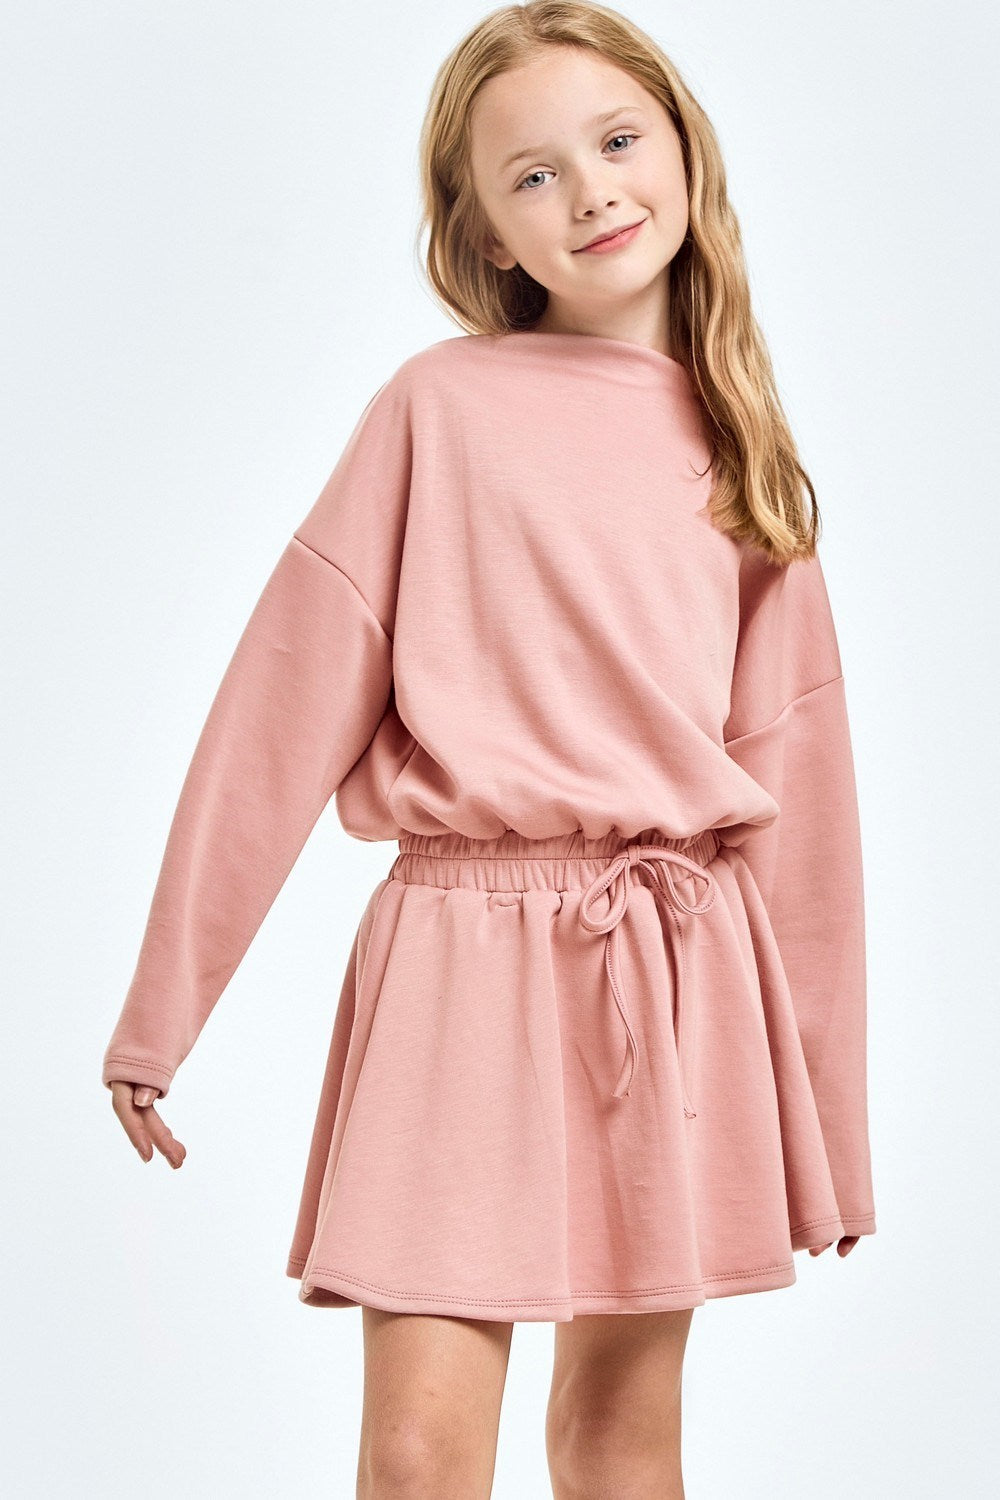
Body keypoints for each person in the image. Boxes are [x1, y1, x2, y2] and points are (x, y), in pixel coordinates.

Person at [101, 3, 877, 1494]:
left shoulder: (747, 458)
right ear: (487, 234)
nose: (589, 193)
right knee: (416, 1456)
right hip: (458, 954)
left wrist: (826, 1121)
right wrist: (162, 1014)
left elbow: (807, 812)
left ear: (684, 152)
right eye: (533, 175)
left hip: (672, 965)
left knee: (619, 1443)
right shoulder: (436, 408)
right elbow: (278, 709)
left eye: (617, 140)